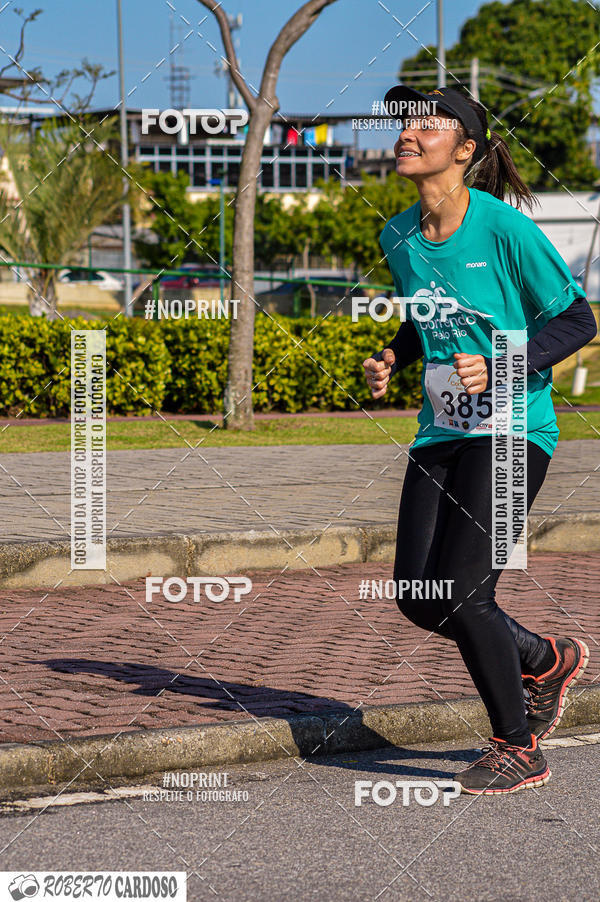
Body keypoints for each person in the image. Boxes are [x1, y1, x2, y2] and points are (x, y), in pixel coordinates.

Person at [363, 85, 597, 795]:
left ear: (464, 150)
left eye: (428, 125)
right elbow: (422, 315)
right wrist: (394, 358)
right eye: (405, 124)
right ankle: (543, 656)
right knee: (418, 593)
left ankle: (518, 746)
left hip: (514, 428)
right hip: (442, 431)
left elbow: (578, 320)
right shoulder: (398, 236)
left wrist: (502, 363)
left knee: (466, 593)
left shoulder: (502, 228)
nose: (410, 133)